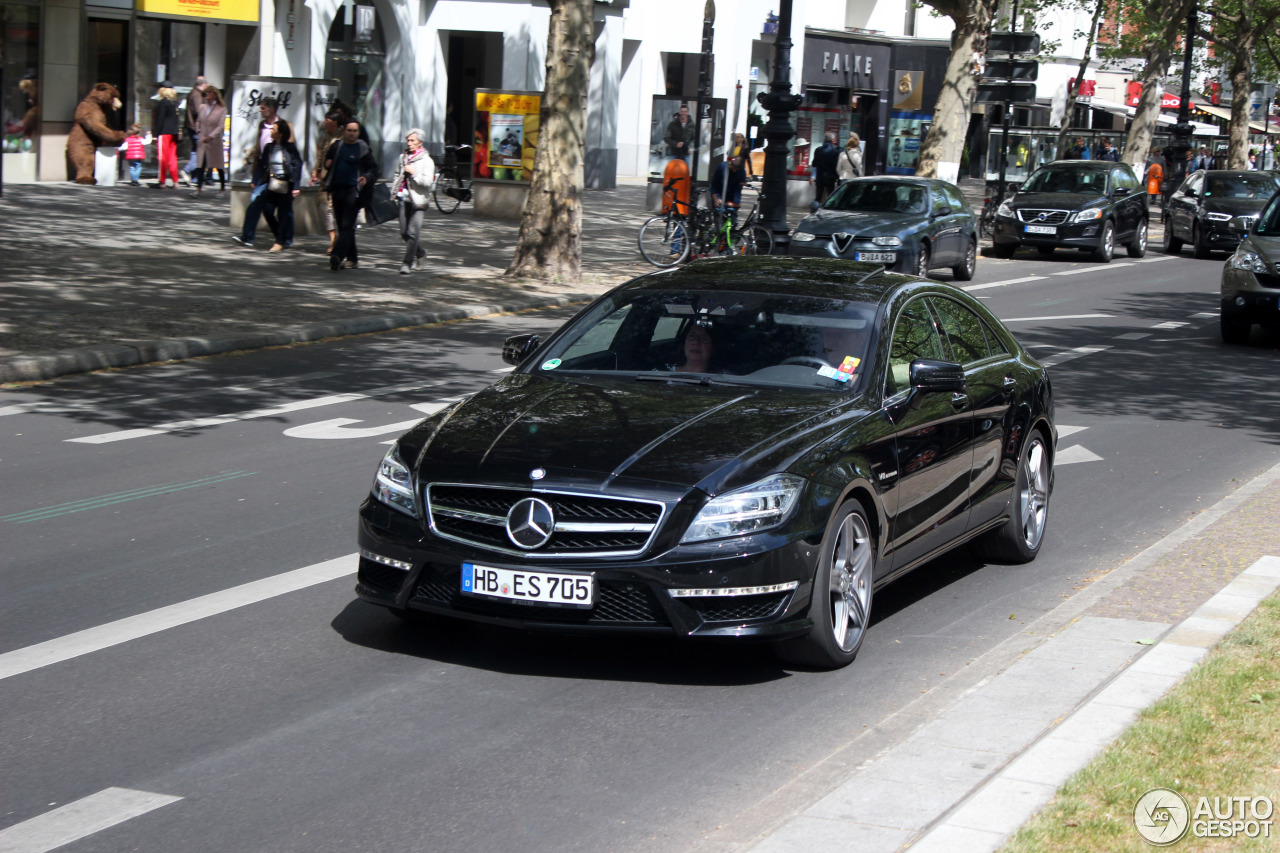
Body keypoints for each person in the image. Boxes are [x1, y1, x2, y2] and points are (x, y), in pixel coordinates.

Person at [233, 118, 302, 252]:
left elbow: (297, 166)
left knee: (284, 214)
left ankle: (280, 242)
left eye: (274, 129)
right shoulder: (269, 147)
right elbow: (262, 165)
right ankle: (257, 236)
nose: (271, 131)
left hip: (285, 185)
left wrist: (296, 187)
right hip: (271, 184)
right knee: (263, 208)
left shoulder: (290, 148)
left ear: (280, 133)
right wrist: (255, 180)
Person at [323, 120, 378, 270]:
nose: (352, 133)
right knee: (343, 226)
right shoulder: (337, 146)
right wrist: (326, 164)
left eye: (355, 131)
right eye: (349, 130)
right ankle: (352, 258)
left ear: (358, 133)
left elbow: (374, 169)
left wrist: (366, 177)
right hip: (337, 190)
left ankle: (337, 256)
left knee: (347, 225)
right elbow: (327, 162)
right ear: (344, 131)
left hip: (354, 192)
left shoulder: (363, 148)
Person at [391, 128, 435, 274]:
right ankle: (421, 253)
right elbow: (397, 173)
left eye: (413, 141)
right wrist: (395, 187)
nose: (409, 144)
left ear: (420, 143)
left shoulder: (427, 161)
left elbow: (428, 182)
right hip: (404, 198)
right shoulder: (402, 157)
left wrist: (414, 173)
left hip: (419, 200)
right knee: (404, 232)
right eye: (408, 140)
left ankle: (407, 263)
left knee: (413, 232)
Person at [311, 108, 343, 255]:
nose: (325, 122)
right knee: (323, 206)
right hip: (325, 178)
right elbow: (320, 156)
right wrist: (315, 171)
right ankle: (333, 237)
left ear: (335, 122)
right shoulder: (325, 137)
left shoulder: (343, 136)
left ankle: (343, 240)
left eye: (328, 120)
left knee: (338, 210)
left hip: (340, 178)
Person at [192, 85, 226, 197]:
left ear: (215, 94)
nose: (207, 95)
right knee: (201, 164)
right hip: (203, 139)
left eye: (209, 93)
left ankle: (222, 188)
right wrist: (198, 131)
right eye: (206, 93)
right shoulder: (203, 107)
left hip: (214, 141)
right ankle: (198, 188)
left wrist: (211, 136)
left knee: (218, 165)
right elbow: (198, 121)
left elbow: (221, 126)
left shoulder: (221, 109)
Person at [152, 82, 180, 189]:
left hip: (164, 132)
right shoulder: (173, 103)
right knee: (172, 157)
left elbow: (160, 119)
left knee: (163, 158)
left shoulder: (163, 103)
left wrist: (155, 134)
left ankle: (162, 181)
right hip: (173, 132)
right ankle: (175, 181)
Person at [182, 75, 208, 184]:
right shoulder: (197, 95)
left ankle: (194, 178)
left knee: (195, 150)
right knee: (200, 151)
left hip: (192, 126)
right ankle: (187, 170)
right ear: (203, 85)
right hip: (197, 127)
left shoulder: (193, 93)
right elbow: (199, 111)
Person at [709, 155, 747, 223]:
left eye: (737, 169)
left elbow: (738, 190)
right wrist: (715, 198)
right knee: (719, 219)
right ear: (730, 163)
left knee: (732, 222)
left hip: (731, 198)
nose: (734, 170)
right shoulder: (722, 167)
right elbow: (714, 185)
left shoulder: (742, 172)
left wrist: (736, 204)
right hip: (719, 195)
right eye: (733, 168)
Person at [811, 131, 841, 203]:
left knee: (818, 197)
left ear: (824, 139)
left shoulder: (818, 150)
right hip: (830, 177)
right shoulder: (835, 150)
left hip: (820, 177)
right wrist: (837, 177)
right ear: (832, 140)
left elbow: (814, 164)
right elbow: (835, 165)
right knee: (830, 197)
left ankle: (815, 210)